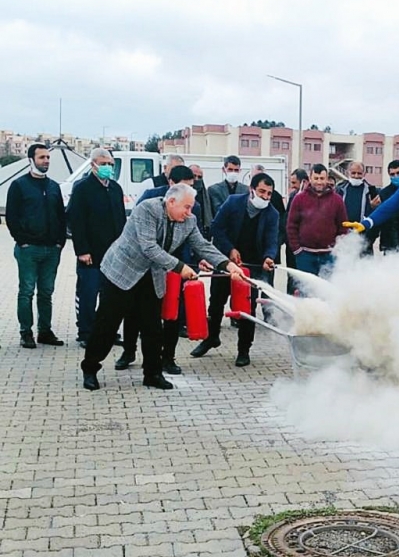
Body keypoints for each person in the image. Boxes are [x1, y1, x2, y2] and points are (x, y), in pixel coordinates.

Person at [80, 183, 245, 391]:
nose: (189, 212)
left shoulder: (189, 220)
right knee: (107, 324)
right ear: (172, 201)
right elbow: (149, 247)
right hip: (122, 272)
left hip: (152, 276)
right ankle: (90, 368)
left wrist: (227, 265)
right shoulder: (147, 209)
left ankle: (152, 373)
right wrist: (180, 267)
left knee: (153, 328)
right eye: (186, 207)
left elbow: (202, 245)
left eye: (191, 207)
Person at [115, 165, 199, 375]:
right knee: (133, 313)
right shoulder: (149, 202)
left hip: (175, 267)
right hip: (143, 265)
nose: (188, 192)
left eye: (191, 187)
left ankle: (167, 358)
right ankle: (129, 351)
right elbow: (145, 242)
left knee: (170, 314)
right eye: (184, 187)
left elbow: (196, 238)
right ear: (171, 185)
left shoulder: (189, 208)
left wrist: (192, 262)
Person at [190, 173, 280, 367]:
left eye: (269, 194)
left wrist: (268, 257)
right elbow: (217, 228)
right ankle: (212, 337)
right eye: (262, 192)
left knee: (246, 309)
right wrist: (230, 249)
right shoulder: (233, 203)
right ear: (251, 190)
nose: (265, 197)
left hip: (251, 267)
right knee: (215, 303)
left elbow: (272, 241)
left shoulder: (272, 213)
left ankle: (243, 350)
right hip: (224, 261)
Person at [6, 143, 67, 349]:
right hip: (28, 249)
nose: (46, 161)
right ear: (31, 160)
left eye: (48, 158)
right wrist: (21, 240)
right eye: (42, 158)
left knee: (46, 292)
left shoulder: (53, 186)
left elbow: (61, 215)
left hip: (52, 249)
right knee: (27, 291)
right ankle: (26, 332)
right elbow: (12, 217)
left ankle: (45, 331)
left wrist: (60, 242)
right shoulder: (19, 185)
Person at [66, 148, 127, 348]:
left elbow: (120, 219)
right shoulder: (82, 188)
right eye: (103, 164)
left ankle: (108, 331)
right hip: (90, 253)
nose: (107, 167)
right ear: (93, 165)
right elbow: (76, 221)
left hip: (113, 253)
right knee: (88, 294)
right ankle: (85, 332)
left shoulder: (115, 188)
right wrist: (82, 250)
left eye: (110, 164)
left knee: (110, 295)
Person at [286, 164, 347, 277]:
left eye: (322, 179)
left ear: (327, 179)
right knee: (305, 291)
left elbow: (342, 227)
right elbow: (291, 226)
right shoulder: (299, 199)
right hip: (305, 255)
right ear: (310, 178)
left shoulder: (337, 200)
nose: (319, 182)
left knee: (327, 290)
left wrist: (338, 250)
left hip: (329, 255)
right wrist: (297, 250)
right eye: (316, 178)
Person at [336, 161, 380, 255]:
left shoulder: (371, 191)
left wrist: (370, 238)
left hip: (364, 240)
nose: (356, 176)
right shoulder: (340, 189)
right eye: (353, 173)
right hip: (344, 238)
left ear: (364, 174)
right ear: (348, 173)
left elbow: (377, 216)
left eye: (359, 173)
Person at [284, 169, 308, 295]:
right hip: (291, 246)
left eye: (294, 183)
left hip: (306, 246)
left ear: (303, 182)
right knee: (291, 276)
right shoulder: (293, 196)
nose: (292, 186)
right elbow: (287, 219)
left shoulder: (312, 198)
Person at [377, 160, 399, 253]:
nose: (395, 176)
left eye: (398, 173)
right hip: (389, 242)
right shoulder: (384, 193)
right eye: (392, 174)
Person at [189, 164, 213, 240]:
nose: (196, 179)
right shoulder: (184, 193)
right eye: (194, 176)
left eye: (199, 177)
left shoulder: (206, 194)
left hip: (202, 232)